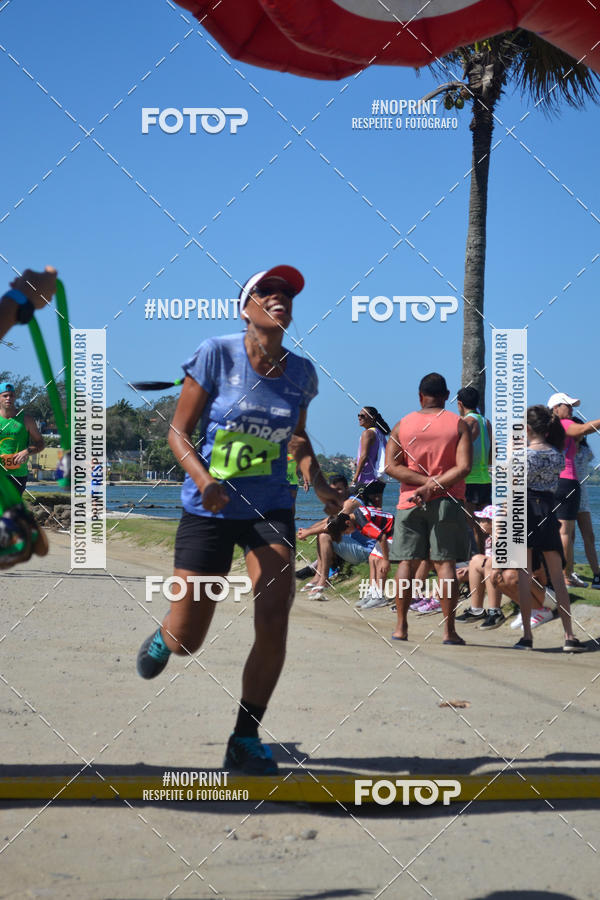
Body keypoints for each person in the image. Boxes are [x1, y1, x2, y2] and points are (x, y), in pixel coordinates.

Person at [135, 264, 341, 774]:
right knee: (188, 639)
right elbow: (179, 433)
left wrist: (320, 487)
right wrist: (204, 479)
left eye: (287, 294)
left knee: (275, 610)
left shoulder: (302, 374)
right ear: (246, 306)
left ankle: (245, 736)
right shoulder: (216, 354)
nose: (280, 299)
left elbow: (298, 441)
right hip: (209, 506)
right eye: (267, 292)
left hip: (269, 506)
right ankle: (166, 636)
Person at [386, 373, 472, 644]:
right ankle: (449, 631)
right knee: (445, 564)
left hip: (409, 502)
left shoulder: (403, 425)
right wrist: (433, 486)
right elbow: (463, 467)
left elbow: (391, 466)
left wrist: (422, 485)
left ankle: (401, 627)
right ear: (447, 396)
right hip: (448, 501)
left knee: (406, 564)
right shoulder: (458, 425)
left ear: (420, 396)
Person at [516, 405, 585, 651]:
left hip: (523, 509)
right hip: (547, 508)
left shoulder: (521, 456)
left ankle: (527, 636)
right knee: (557, 577)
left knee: (523, 576)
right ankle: (569, 635)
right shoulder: (556, 455)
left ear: (527, 428)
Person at [547, 392, 600, 588]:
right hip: (567, 480)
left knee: (559, 531)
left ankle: (557, 573)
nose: (571, 409)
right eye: (567, 405)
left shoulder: (546, 426)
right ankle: (565, 576)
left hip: (552, 482)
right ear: (555, 408)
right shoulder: (564, 424)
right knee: (566, 533)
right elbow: (585, 428)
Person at [457, 387, 492, 554]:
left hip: (470, 480)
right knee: (484, 528)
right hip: (486, 479)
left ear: (460, 403)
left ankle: (475, 564)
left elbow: (459, 450)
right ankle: (486, 561)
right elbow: (492, 454)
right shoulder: (486, 422)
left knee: (469, 526)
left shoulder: (467, 422)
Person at [0, 383, 45, 495]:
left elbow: (40, 443)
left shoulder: (26, 419)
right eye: (5, 395)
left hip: (18, 475)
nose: (8, 398)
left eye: (11, 395)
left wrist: (27, 451)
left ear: (15, 397)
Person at [572, 417, 600, 589]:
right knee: (569, 536)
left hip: (582, 498)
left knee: (588, 536)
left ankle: (596, 573)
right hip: (567, 496)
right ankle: (568, 570)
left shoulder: (585, 452)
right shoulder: (563, 450)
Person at [351, 406, 391, 503]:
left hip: (367, 479)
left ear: (372, 417)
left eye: (362, 416)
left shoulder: (368, 433)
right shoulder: (380, 433)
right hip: (378, 480)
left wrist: (355, 478)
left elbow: (364, 456)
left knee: (348, 507)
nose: (359, 418)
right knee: (375, 511)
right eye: (358, 415)